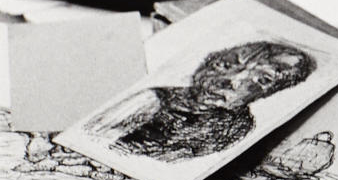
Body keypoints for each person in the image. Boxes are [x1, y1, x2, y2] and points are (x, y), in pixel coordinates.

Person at [86, 41, 315, 162]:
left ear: (269, 92)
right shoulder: (154, 100)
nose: (230, 81)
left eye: (262, 79)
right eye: (226, 66)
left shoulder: (242, 126)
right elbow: (92, 141)